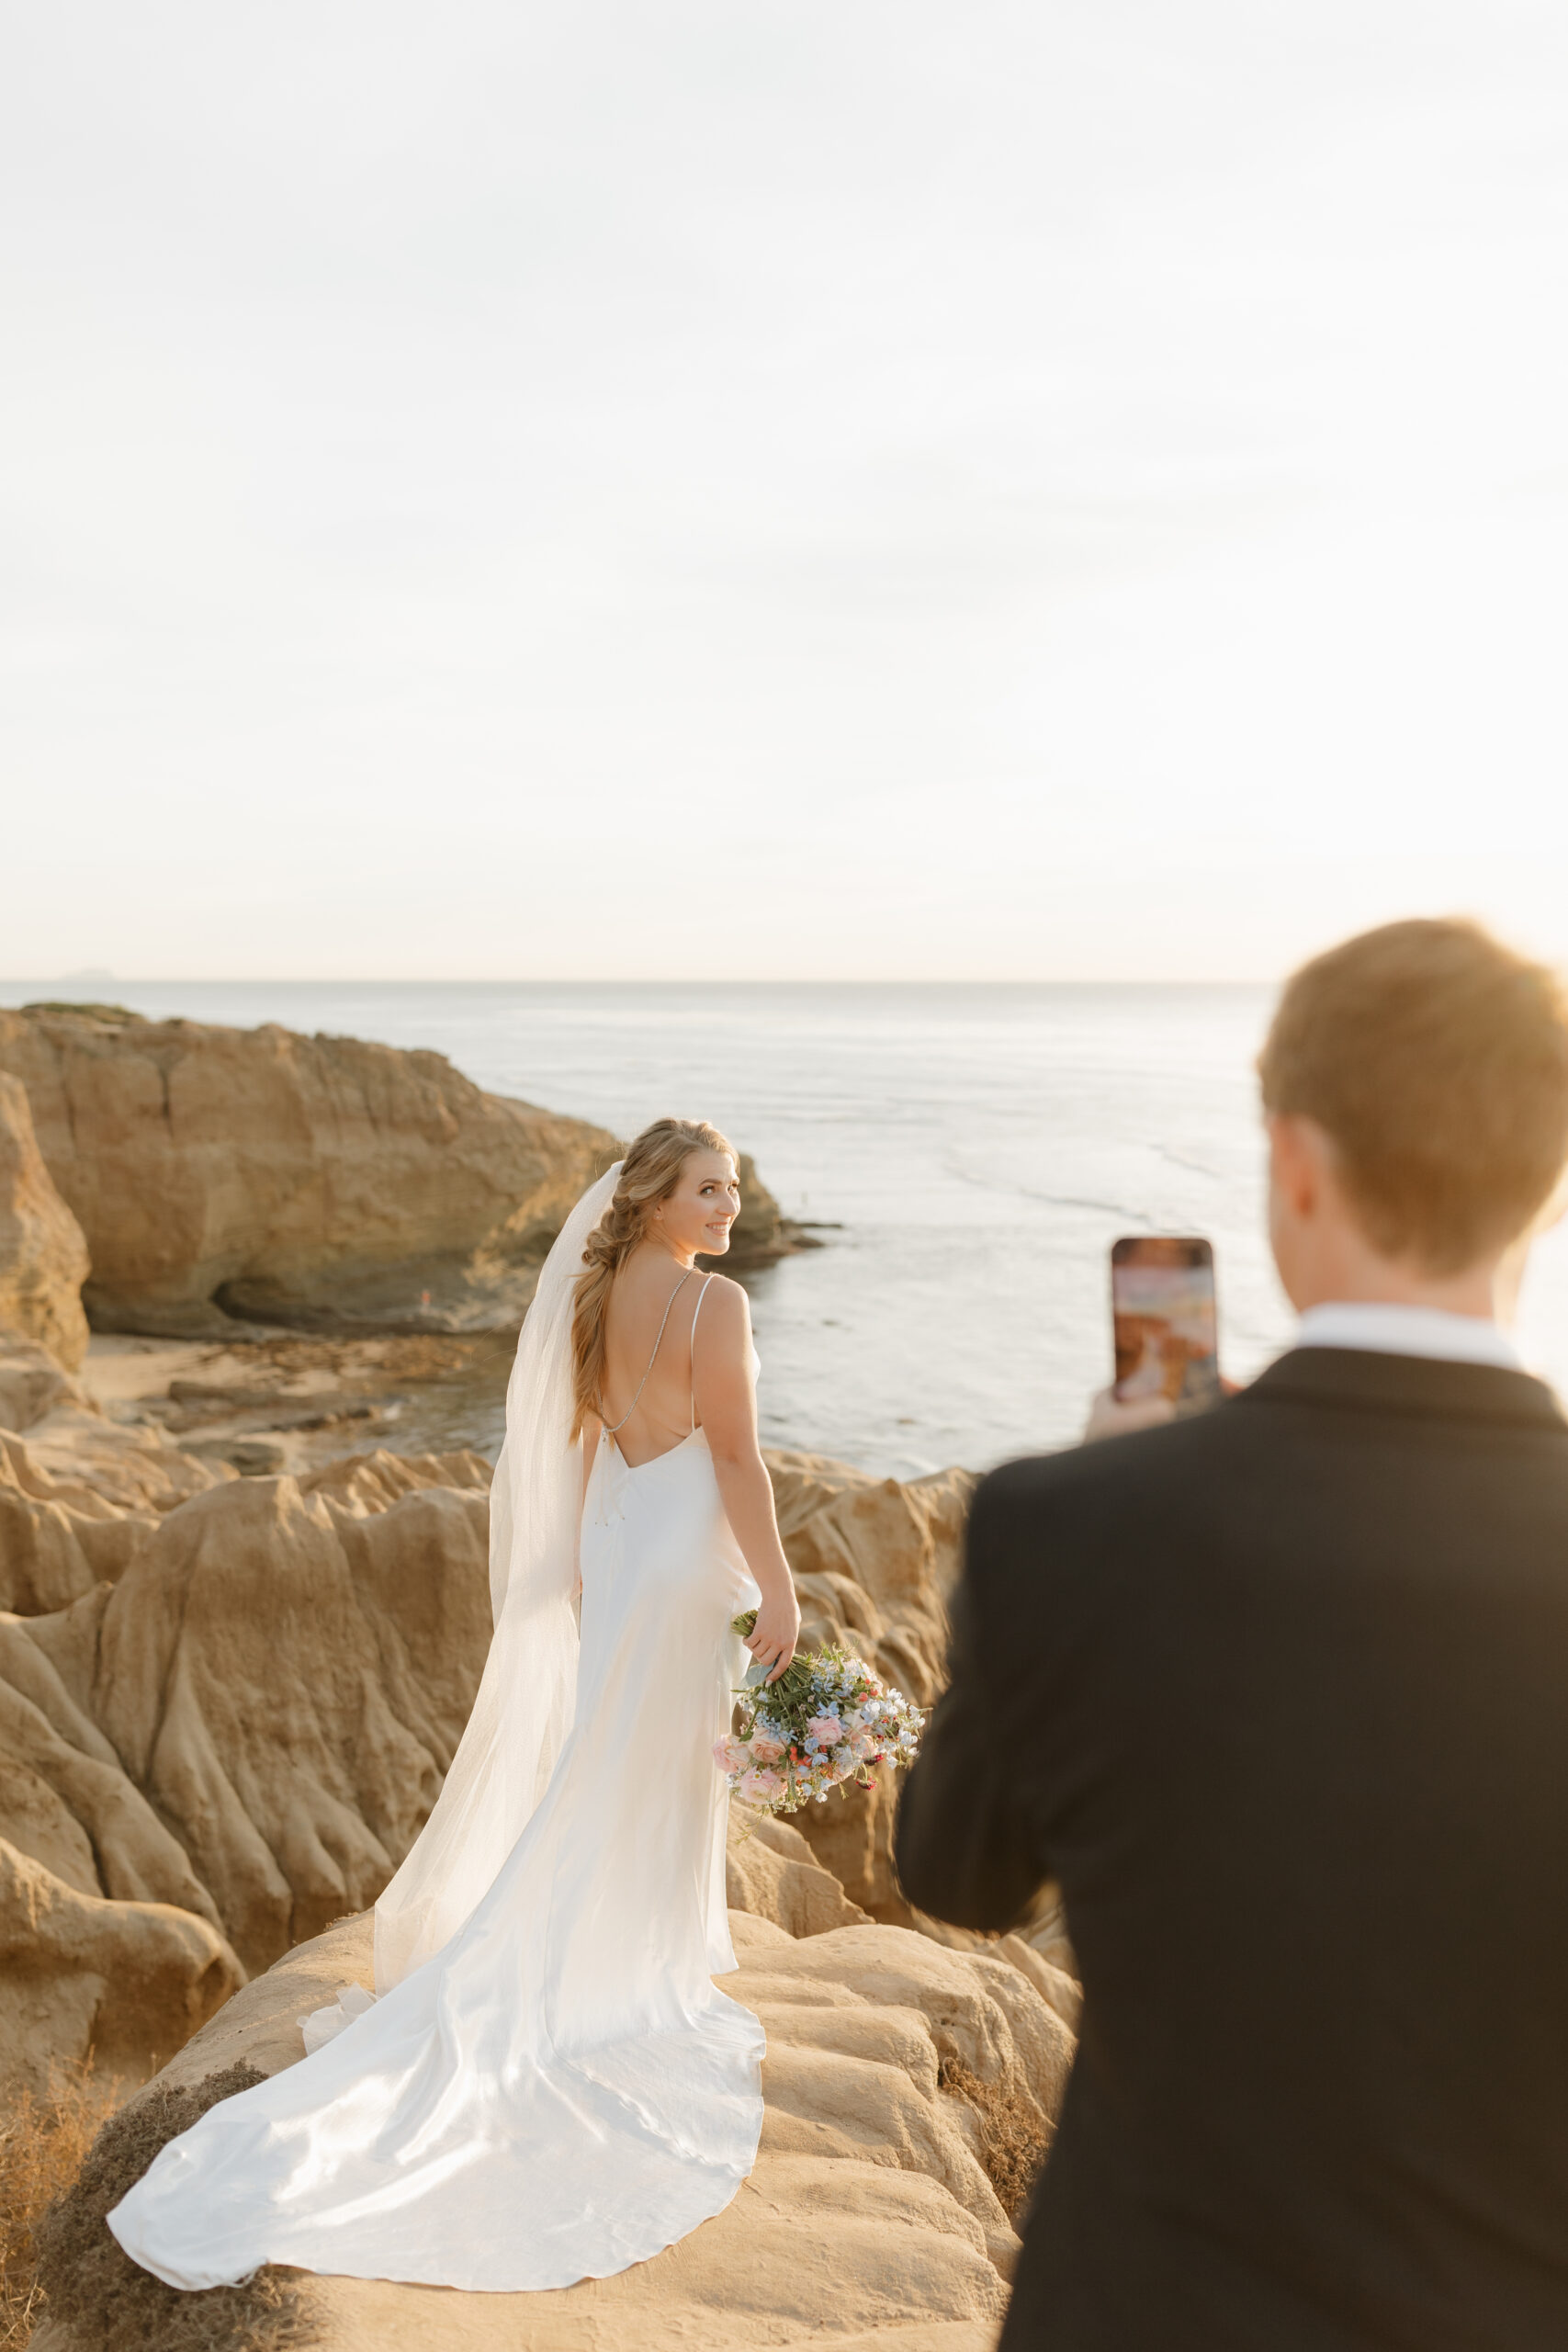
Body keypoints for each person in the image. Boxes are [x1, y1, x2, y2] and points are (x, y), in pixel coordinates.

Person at [896, 918, 1568, 2351]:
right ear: (1545, 1181)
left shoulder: (1062, 1527)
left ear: (1292, 1164)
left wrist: (1078, 1509)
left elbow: (956, 1875)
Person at [108, 1118, 801, 2293]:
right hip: (681, 1543)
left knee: (610, 1748)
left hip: (625, 1534)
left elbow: (586, 1439)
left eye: (733, 1187)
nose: (731, 1206)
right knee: (657, 1757)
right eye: (709, 1189)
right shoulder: (715, 1306)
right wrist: (781, 1589)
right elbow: (735, 1457)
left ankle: (639, 1945)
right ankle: (639, 1962)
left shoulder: (596, 1293)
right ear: (651, 1200)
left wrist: (587, 1552)